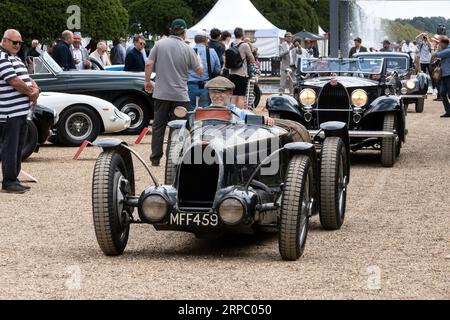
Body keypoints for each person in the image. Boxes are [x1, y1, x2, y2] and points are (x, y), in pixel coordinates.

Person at [144, 18, 203, 167]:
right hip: (180, 95)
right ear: (184, 32)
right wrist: (198, 58)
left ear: (171, 30)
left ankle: (155, 158)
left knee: (158, 126)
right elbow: (199, 70)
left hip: (161, 93)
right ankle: (174, 158)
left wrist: (147, 81)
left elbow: (149, 63)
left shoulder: (159, 44)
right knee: (179, 126)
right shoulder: (187, 48)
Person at [0, 29, 40, 194]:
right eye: (14, 42)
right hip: (9, 112)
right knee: (10, 147)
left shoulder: (14, 57)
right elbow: (14, 81)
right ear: (5, 41)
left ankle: (14, 178)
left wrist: (35, 87)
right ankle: (9, 182)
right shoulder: (2, 58)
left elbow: (26, 77)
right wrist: (31, 92)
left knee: (17, 147)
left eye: (20, 43)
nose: (18, 45)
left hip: (20, 111)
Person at [205, 76, 274, 126]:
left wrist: (264, 119)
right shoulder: (202, 113)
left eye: (221, 92)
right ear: (209, 94)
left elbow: (246, 115)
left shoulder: (237, 112)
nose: (217, 96)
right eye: (213, 92)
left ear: (230, 93)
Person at [188, 35, 221, 110]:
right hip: (206, 84)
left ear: (195, 41)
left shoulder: (189, 51)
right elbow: (217, 69)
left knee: (190, 109)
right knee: (205, 109)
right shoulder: (212, 51)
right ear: (206, 41)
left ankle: (190, 121)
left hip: (190, 84)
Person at [227, 28, 255, 109]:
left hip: (232, 73)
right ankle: (239, 115)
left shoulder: (231, 44)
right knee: (241, 97)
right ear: (242, 35)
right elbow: (252, 59)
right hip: (242, 73)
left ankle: (232, 113)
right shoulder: (245, 45)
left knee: (233, 96)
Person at [433, 36, 450, 117]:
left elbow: (435, 55)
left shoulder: (448, 50)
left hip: (449, 75)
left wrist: (438, 49)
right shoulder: (445, 50)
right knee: (442, 93)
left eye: (440, 44)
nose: (439, 45)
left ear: (444, 43)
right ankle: (448, 111)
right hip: (444, 75)